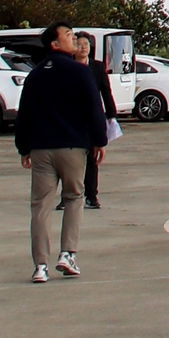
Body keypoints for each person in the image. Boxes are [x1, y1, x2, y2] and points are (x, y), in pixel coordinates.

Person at [14, 20, 108, 282]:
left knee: (40, 206)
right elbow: (93, 108)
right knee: (74, 198)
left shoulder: (35, 75)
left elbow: (25, 114)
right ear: (55, 43)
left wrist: (23, 146)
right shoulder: (79, 72)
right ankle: (67, 254)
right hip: (72, 147)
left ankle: (40, 266)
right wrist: (100, 140)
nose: (74, 38)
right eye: (68, 35)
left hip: (41, 149)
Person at [74, 32, 117, 208]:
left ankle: (91, 196)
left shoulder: (97, 67)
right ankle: (67, 196)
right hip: (73, 119)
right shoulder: (68, 66)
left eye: (86, 44)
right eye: (79, 44)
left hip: (92, 118)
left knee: (92, 159)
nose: (83, 47)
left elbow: (106, 91)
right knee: (71, 161)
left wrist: (111, 115)